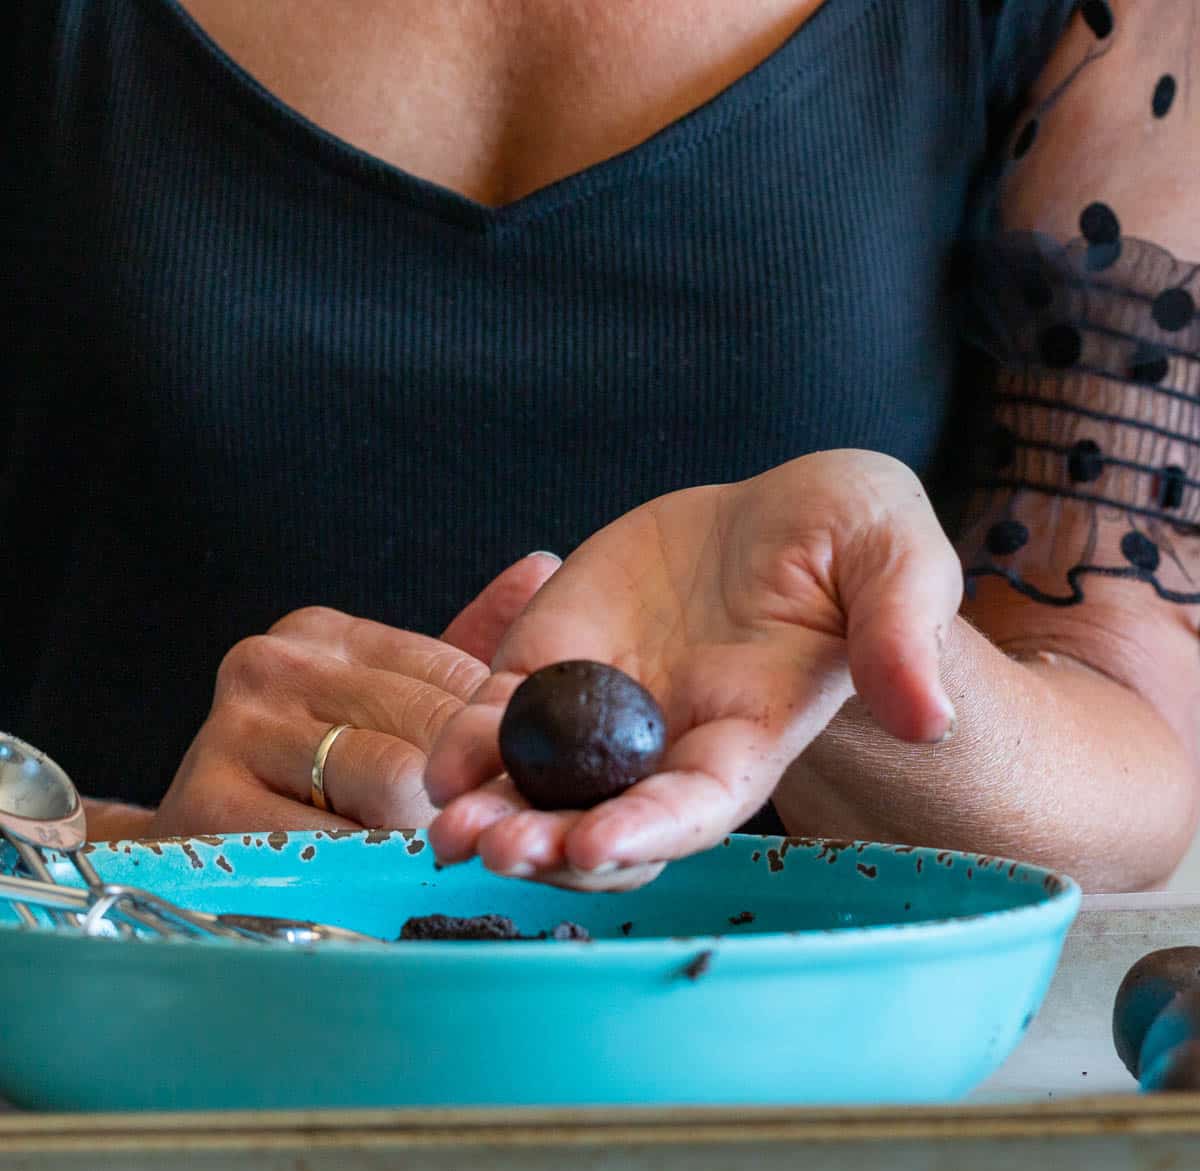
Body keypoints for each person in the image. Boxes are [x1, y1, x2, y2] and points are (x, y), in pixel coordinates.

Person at [5, 0, 1197, 893]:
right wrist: (103, 849)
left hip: (807, 1088)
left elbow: (1140, 763)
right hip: (136, 1060)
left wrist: (852, 654)